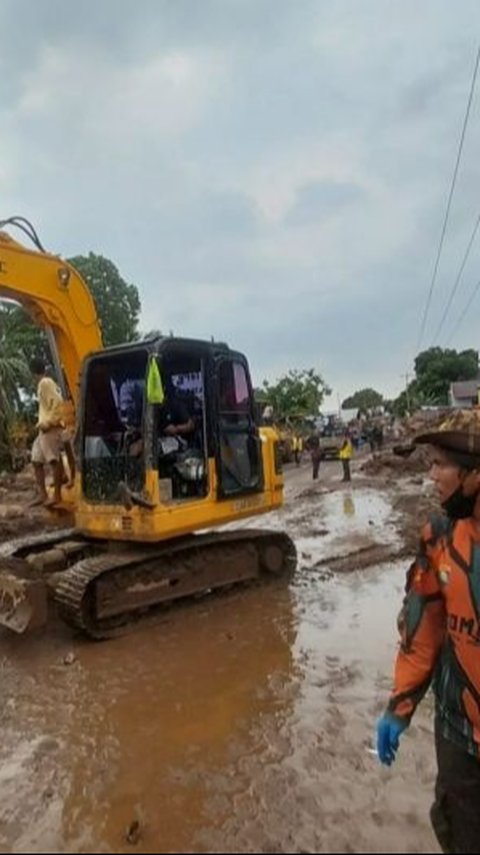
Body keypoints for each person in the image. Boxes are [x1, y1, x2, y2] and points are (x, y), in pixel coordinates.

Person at [376, 409, 480, 854]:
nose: (431, 475)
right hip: (460, 737)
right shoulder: (438, 539)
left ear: (474, 474)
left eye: (441, 464)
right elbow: (422, 634)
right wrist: (398, 709)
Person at [29, 357, 64, 506]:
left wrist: (49, 423)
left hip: (50, 428)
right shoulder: (43, 384)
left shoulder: (45, 383)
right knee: (36, 460)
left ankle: (56, 495)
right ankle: (43, 494)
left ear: (33, 373)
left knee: (53, 460)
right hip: (43, 428)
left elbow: (58, 403)